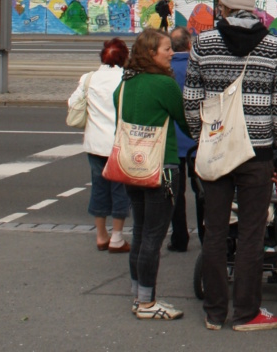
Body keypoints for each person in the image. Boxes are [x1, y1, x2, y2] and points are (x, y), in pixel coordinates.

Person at [184, 0, 277, 332]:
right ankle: (247, 313)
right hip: (257, 154)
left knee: (214, 231)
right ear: (253, 6)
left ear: (225, 7)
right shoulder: (275, 47)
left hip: (216, 152)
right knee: (251, 233)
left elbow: (190, 102)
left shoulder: (203, 44)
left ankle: (215, 312)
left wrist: (202, 139)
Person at [118, 28, 190, 321]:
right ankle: (147, 304)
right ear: (151, 54)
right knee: (153, 236)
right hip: (161, 167)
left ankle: (139, 294)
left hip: (131, 166)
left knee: (139, 231)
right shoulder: (164, 84)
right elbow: (186, 124)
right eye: (166, 50)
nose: (172, 53)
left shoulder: (124, 84)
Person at [68, 37, 130, 253]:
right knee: (120, 188)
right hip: (119, 142)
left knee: (99, 187)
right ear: (124, 57)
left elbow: (73, 103)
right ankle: (117, 237)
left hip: (95, 144)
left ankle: (101, 235)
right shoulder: (127, 78)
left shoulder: (89, 78)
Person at [166, 27, 202, 252]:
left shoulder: (165, 68)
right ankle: (207, 237)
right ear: (189, 44)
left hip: (173, 141)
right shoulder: (198, 65)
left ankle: (179, 238)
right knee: (202, 192)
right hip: (197, 141)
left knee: (175, 194)